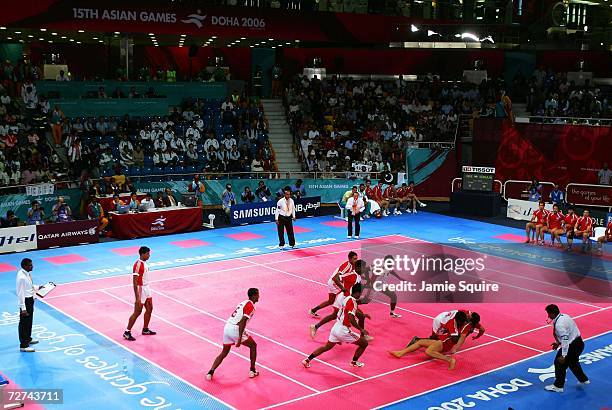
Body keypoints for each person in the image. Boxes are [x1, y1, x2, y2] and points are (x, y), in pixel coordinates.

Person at [302, 283, 370, 369]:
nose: (361, 295)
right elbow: (351, 318)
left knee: (326, 347)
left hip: (335, 328)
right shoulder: (353, 303)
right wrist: (361, 329)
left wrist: (363, 307)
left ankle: (307, 360)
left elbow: (354, 304)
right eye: (360, 293)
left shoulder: (347, 298)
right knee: (364, 343)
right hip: (344, 331)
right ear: (357, 293)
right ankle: (354, 362)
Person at [206, 288, 260, 380]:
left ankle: (210, 372)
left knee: (224, 351)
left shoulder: (243, 302)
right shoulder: (251, 306)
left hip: (227, 327)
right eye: (258, 294)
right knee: (253, 346)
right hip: (236, 328)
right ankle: (252, 370)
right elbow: (242, 322)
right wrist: (239, 338)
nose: (259, 296)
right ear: (254, 295)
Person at [388, 311, 470, 370]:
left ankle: (449, 360)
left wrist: (452, 336)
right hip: (443, 339)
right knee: (420, 342)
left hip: (445, 343)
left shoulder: (453, 324)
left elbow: (455, 339)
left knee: (428, 352)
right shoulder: (464, 324)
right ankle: (400, 353)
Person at [544, 304, 589, 392]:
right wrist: (557, 343)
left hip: (571, 346)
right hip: (579, 343)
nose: (548, 316)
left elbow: (565, 339)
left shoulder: (559, 324)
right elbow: (569, 332)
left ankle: (558, 386)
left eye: (548, 313)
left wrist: (564, 355)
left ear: (553, 314)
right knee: (573, 362)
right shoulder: (565, 316)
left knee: (559, 363)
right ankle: (583, 379)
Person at [309, 251, 358, 318]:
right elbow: (335, 278)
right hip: (334, 283)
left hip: (332, 282)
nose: (356, 260)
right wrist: (342, 288)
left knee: (331, 301)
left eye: (356, 258)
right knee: (347, 294)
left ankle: (313, 310)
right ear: (349, 259)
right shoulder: (346, 266)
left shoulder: (353, 265)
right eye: (354, 259)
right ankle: (341, 312)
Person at [123, 246, 156, 341]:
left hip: (147, 288)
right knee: (137, 312)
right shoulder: (137, 265)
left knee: (150, 309)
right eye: (148, 254)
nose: (149, 255)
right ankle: (127, 332)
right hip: (141, 289)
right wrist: (137, 298)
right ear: (142, 254)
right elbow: (135, 282)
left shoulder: (145, 263)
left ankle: (145, 329)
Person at [17, 258, 40, 352]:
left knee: (29, 321)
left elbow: (29, 286)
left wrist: (38, 287)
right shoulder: (21, 277)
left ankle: (28, 338)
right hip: (25, 302)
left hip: (30, 300)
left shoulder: (27, 274)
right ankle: (23, 345)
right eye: (30, 265)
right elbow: (20, 293)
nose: (32, 266)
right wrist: (23, 308)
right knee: (24, 323)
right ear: (25, 266)